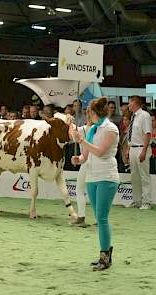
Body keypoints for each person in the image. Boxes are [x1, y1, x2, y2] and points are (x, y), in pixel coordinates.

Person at [71, 96, 119, 271]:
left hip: (107, 176)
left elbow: (99, 152)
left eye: (88, 111)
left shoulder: (110, 129)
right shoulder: (93, 130)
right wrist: (78, 159)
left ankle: (104, 255)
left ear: (94, 112)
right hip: (92, 177)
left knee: (102, 218)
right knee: (100, 217)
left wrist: (82, 140)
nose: (86, 114)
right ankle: (105, 253)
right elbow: (86, 155)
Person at [127, 96, 152, 209]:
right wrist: (128, 149)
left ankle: (146, 201)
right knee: (134, 176)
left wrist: (144, 150)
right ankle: (137, 201)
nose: (128, 105)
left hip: (142, 148)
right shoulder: (133, 116)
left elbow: (147, 134)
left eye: (130, 103)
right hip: (133, 148)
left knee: (144, 176)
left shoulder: (145, 116)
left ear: (135, 103)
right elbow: (132, 134)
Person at [71, 107, 93, 227]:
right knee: (95, 193)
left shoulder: (82, 129)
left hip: (86, 162)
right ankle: (100, 219)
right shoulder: (101, 129)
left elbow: (71, 135)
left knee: (80, 190)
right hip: (99, 162)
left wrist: (70, 123)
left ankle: (81, 217)